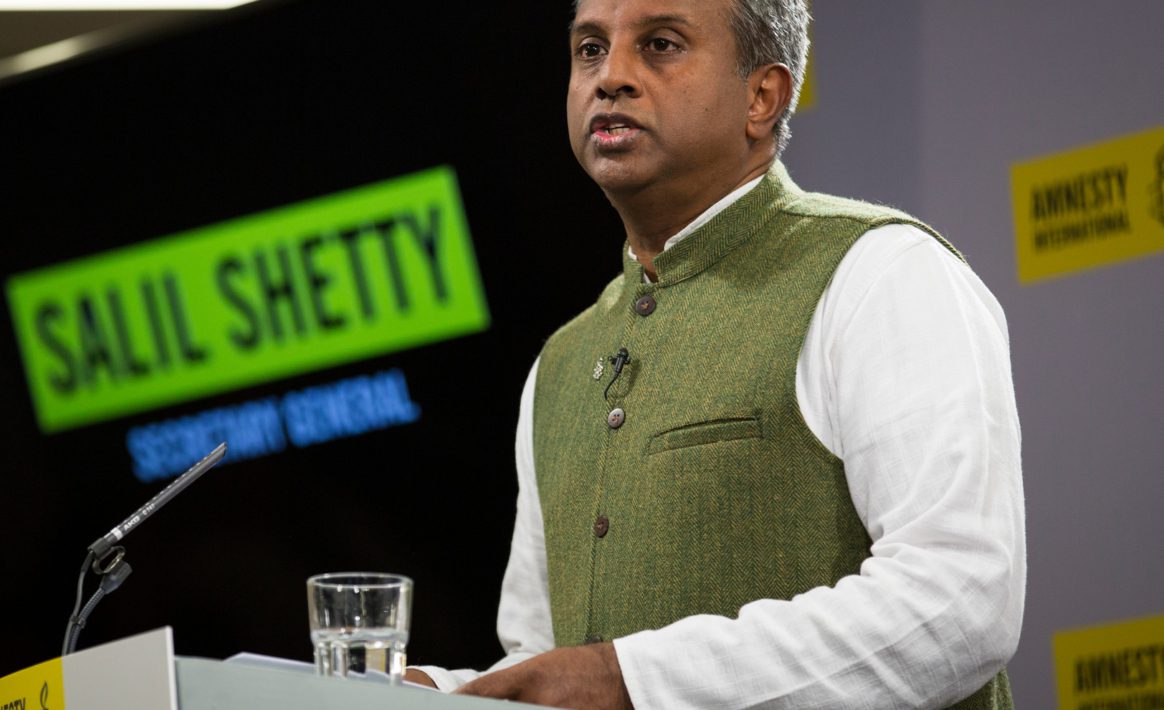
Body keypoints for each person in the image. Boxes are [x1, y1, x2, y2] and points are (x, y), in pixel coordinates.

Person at [405, 0, 1025, 707]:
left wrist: (634, 682)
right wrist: (433, 695)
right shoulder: (561, 363)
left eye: (660, 44)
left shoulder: (882, 274)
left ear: (762, 97)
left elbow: (959, 600)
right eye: (590, 49)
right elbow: (546, 666)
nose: (610, 76)